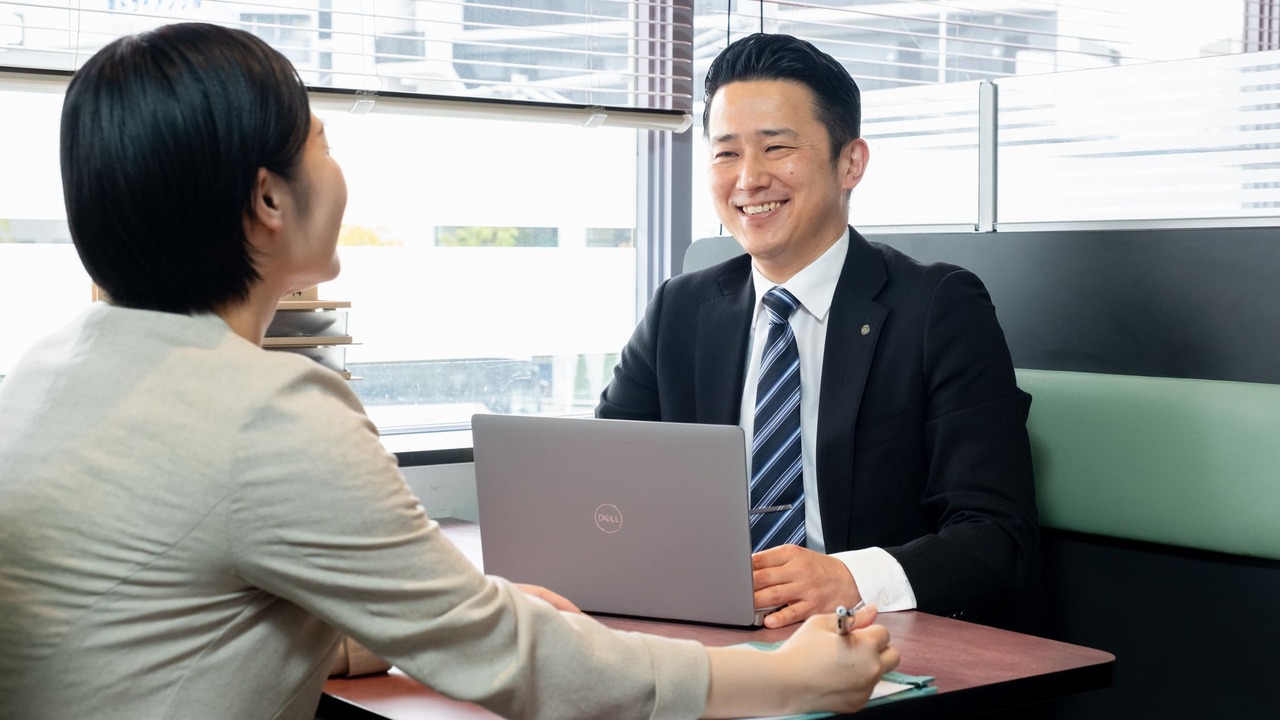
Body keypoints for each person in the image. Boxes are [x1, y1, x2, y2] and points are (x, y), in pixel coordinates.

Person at [0, 23, 900, 720]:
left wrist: (405, 624)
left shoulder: (47, 370)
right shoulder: (269, 410)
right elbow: (513, 658)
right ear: (269, 199)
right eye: (322, 143)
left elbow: (173, 614)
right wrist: (785, 680)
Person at [597, 33, 1040, 632]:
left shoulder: (938, 308)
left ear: (850, 162)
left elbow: (996, 536)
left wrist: (850, 578)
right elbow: (603, 484)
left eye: (776, 147)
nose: (748, 179)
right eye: (726, 153)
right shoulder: (680, 308)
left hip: (864, 637)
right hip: (707, 629)